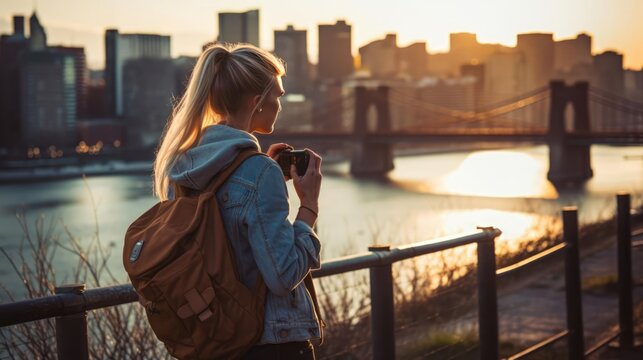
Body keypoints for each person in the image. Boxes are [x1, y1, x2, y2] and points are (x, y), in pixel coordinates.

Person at [152, 42, 323, 359]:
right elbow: (283, 275)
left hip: (216, 341)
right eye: (278, 96)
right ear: (258, 102)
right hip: (270, 345)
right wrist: (308, 207)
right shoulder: (258, 172)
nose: (280, 105)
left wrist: (261, 174)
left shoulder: (185, 165)